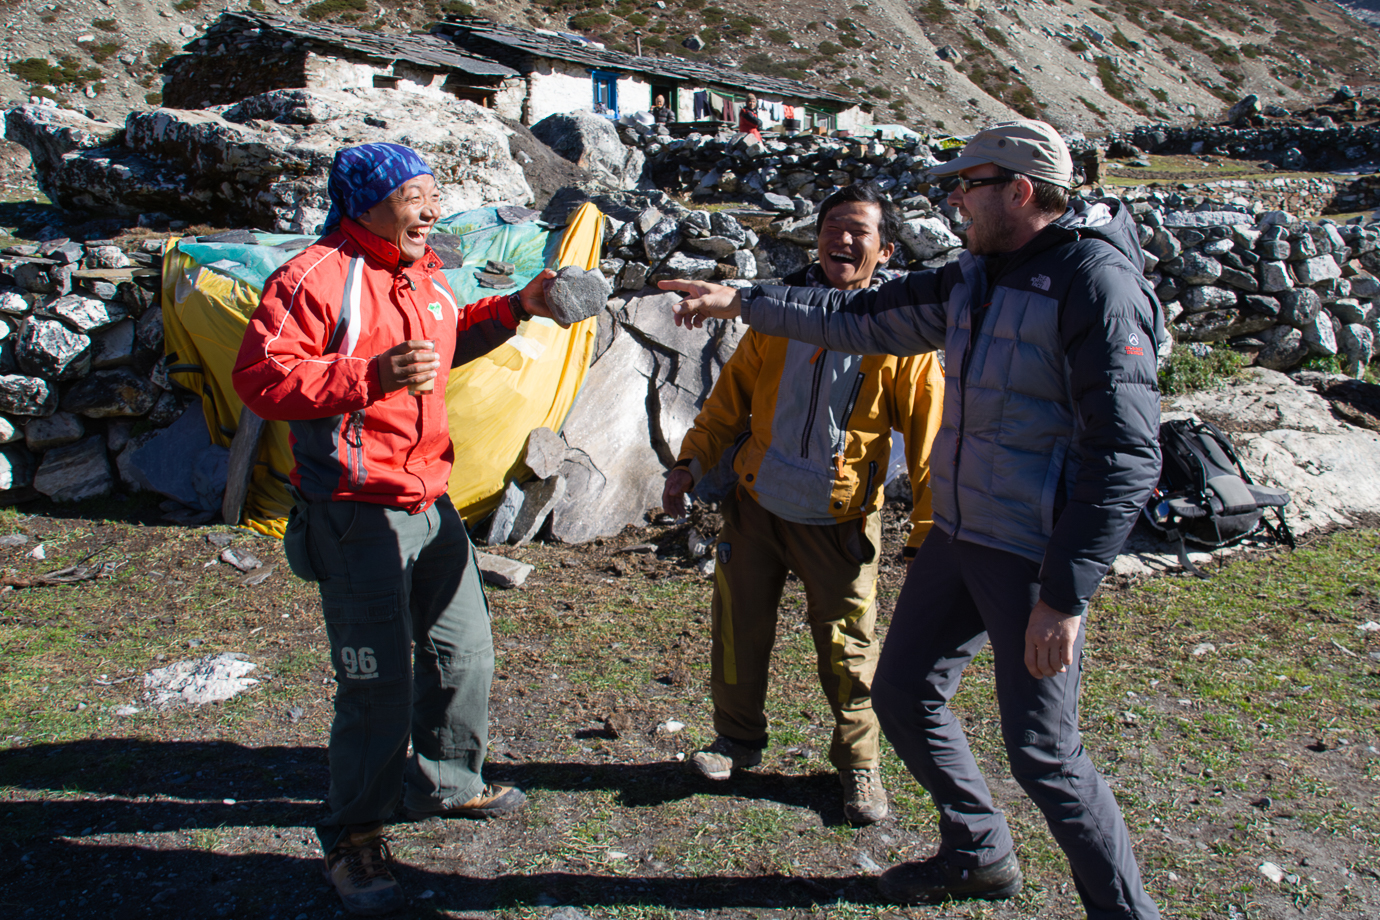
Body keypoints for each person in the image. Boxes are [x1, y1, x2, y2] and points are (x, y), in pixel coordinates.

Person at [658, 120, 1164, 918]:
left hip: (1028, 555)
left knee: (1043, 754)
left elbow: (1127, 455)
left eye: (968, 186)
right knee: (902, 693)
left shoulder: (1094, 285)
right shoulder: (974, 275)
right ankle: (977, 850)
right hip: (960, 538)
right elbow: (852, 318)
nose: (956, 200)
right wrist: (740, 302)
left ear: (1020, 191)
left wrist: (1064, 597)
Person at [233, 142, 562, 916]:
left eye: (433, 191)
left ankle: (446, 782)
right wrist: (366, 377)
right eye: (415, 193)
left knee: (465, 655)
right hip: (354, 509)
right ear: (367, 202)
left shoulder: (422, 274)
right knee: (377, 683)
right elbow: (260, 377)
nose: (432, 208)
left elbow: (445, 346)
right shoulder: (314, 276)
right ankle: (353, 836)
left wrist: (518, 306)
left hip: (429, 499)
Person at [664, 184, 943, 825]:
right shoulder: (779, 314)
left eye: (859, 232)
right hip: (757, 506)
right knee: (738, 629)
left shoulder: (900, 335)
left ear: (886, 248)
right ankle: (735, 740)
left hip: (839, 519)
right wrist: (690, 463)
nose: (842, 240)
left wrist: (927, 532)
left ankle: (860, 768)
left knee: (850, 647)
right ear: (815, 235)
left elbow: (933, 443)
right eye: (833, 227)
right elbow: (728, 402)